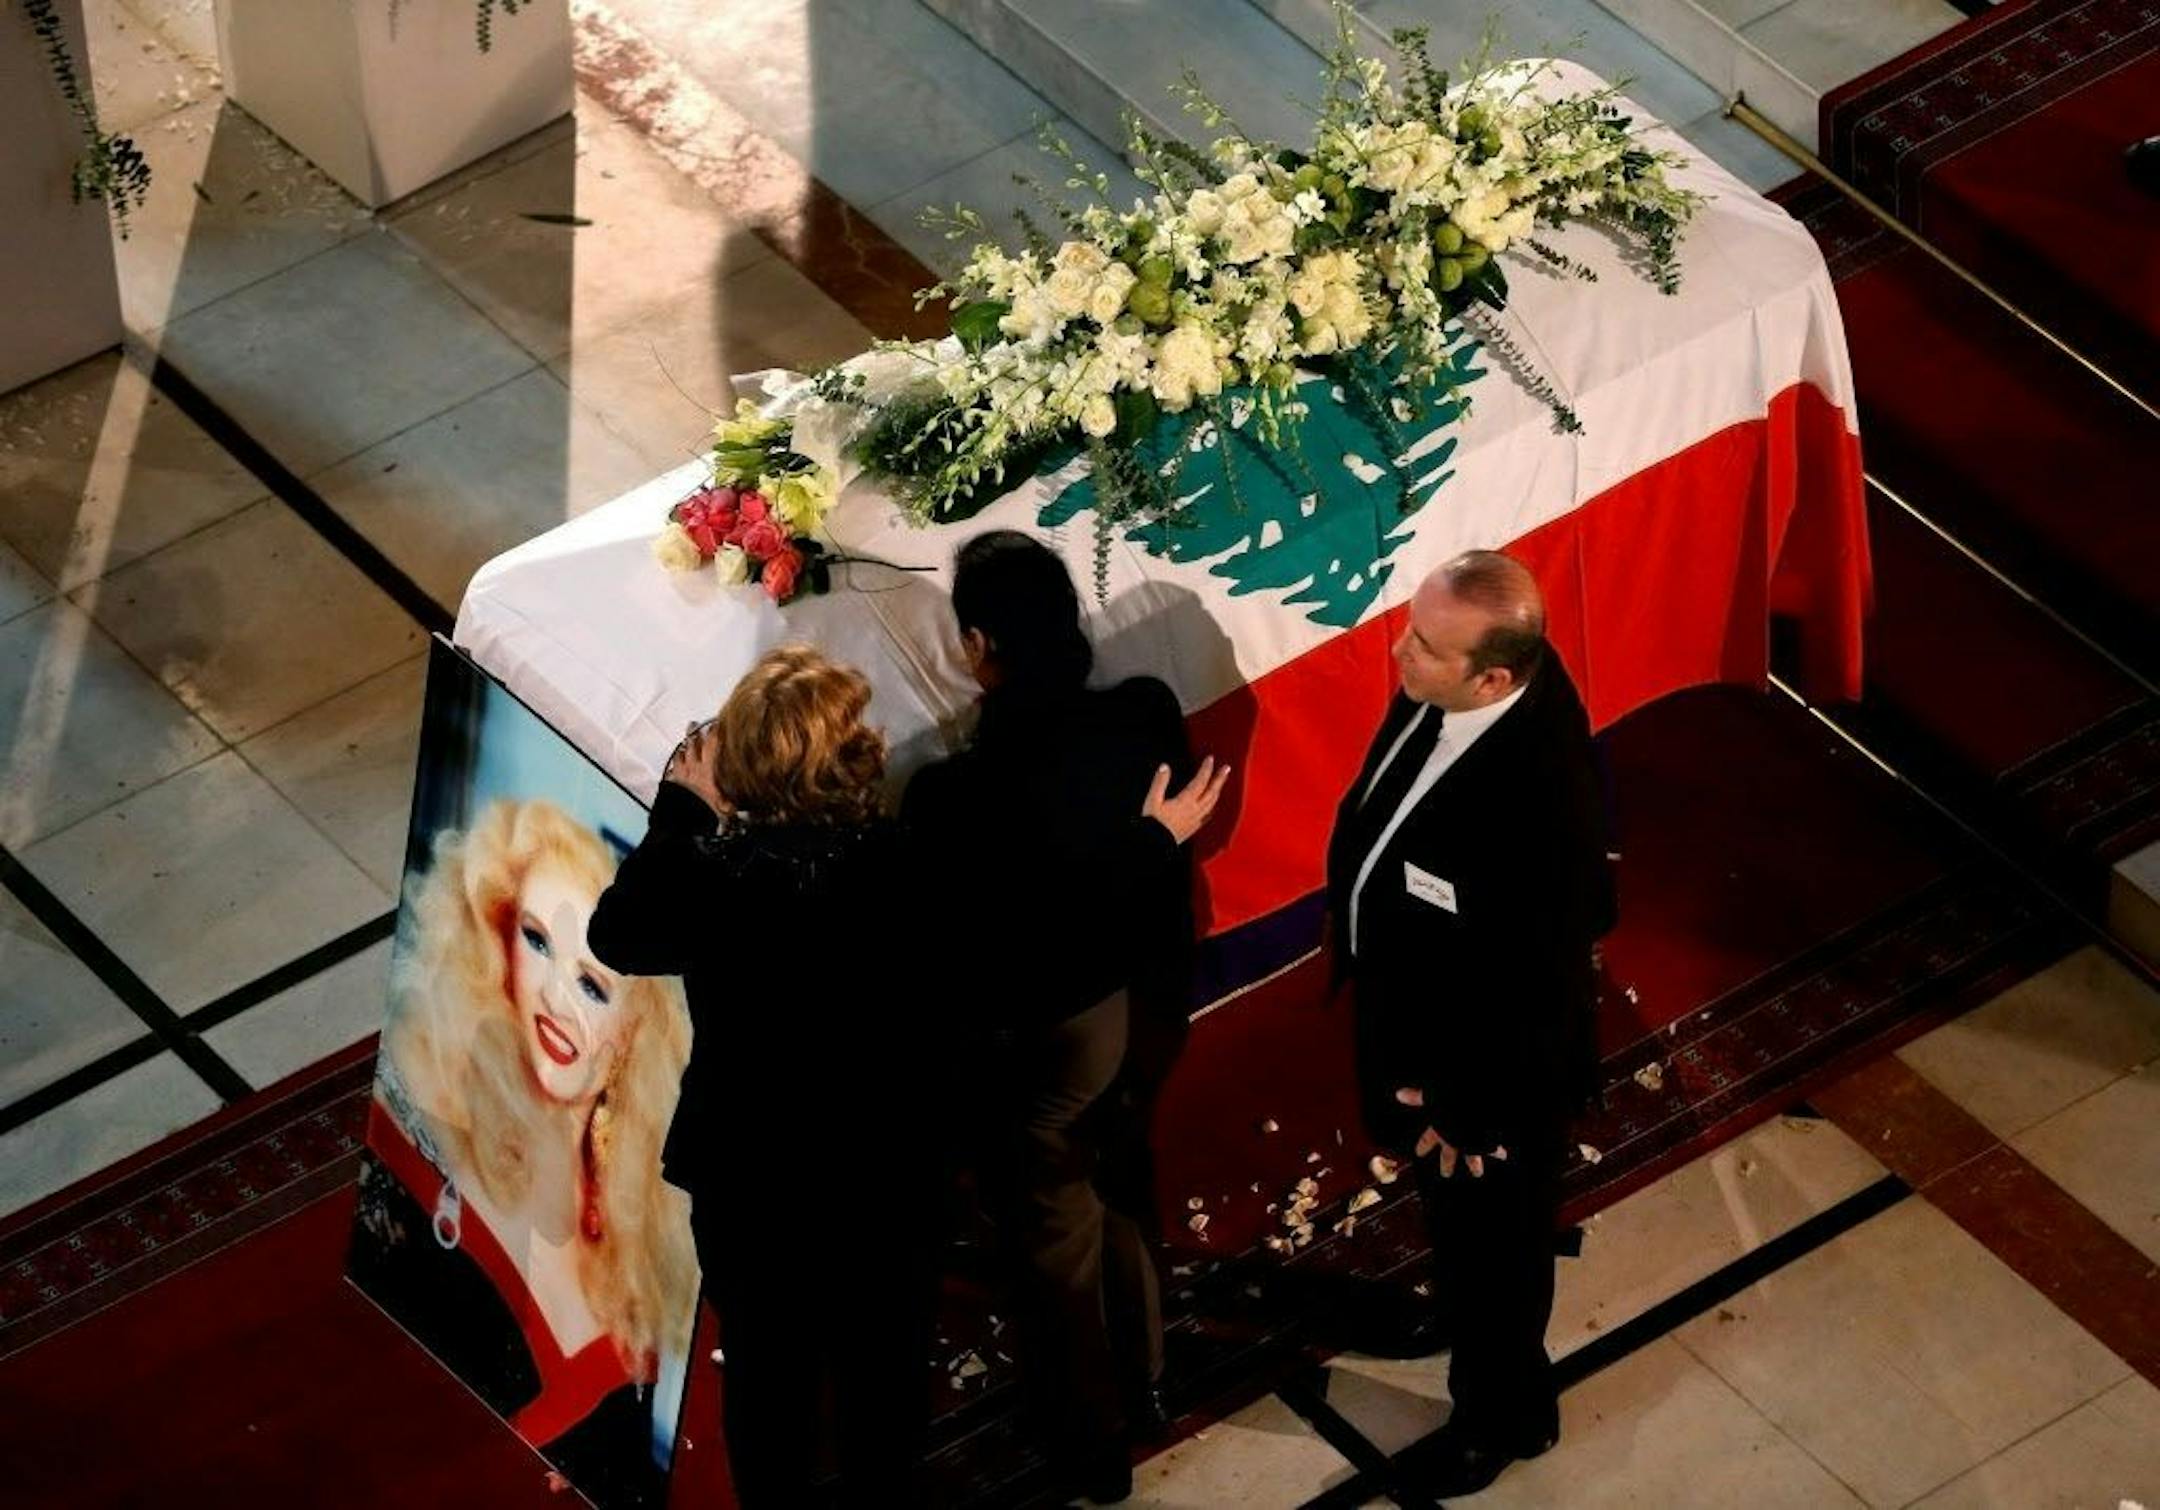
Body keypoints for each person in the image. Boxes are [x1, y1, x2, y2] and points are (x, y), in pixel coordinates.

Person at [902, 530, 1230, 1505]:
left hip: (1047, 1043)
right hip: (1153, 1008)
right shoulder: (1146, 714)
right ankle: (1149, 1377)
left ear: (977, 647)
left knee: (1056, 1246)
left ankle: (1092, 1445)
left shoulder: (950, 798)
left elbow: (1005, 942)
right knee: (1123, 1183)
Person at [587, 644, 943, 1508]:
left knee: (765, 1371)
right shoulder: (903, 859)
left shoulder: (714, 880)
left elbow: (618, 933)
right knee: (883, 1366)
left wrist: (683, 810)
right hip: (883, 1160)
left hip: (752, 1172)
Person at [1323, 550, 1615, 1498]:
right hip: (1421, 1026)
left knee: (1500, 1254)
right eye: (1411, 630)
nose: (1398, 652)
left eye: (1424, 646)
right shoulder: (1454, 684)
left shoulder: (1544, 803)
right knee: (1459, 1236)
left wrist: (1468, 1108)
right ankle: (1455, 1313)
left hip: (1489, 1085)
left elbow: (1539, 985)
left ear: (1493, 679)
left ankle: (1505, 1416)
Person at [356, 797, 698, 1507]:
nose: (556, 999)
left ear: (635, 1032)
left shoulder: (641, 1234)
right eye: (538, 942)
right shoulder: (422, 1138)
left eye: (594, 985)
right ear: (499, 945)